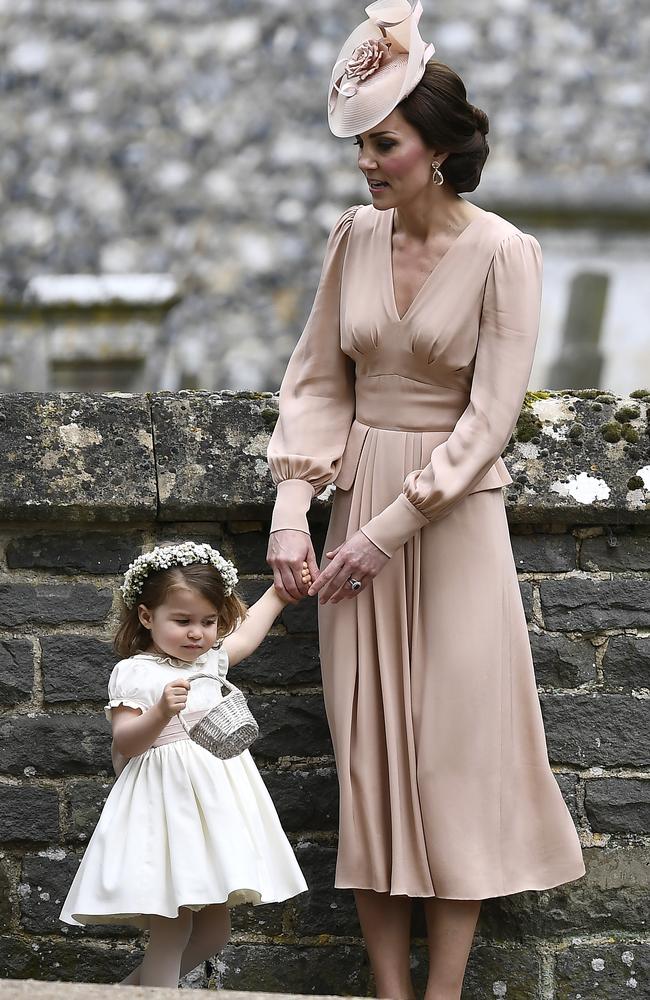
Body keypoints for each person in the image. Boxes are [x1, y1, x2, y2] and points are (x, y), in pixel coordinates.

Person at [266, 2, 585, 998]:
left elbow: (488, 419)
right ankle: (388, 989)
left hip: (447, 526)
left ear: (436, 148)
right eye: (362, 144)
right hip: (355, 493)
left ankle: (440, 992)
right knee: (367, 755)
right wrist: (292, 509)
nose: (367, 162)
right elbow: (317, 383)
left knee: (452, 759)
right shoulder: (349, 239)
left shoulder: (503, 254)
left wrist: (387, 528)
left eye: (385, 143)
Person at [59, 541, 309, 988]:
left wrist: (280, 594)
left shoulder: (211, 662)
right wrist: (159, 712)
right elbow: (126, 743)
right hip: (166, 810)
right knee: (171, 930)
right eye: (183, 621)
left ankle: (123, 993)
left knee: (214, 932)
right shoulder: (137, 672)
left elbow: (247, 637)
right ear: (146, 617)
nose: (197, 633)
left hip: (214, 811)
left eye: (208, 622)